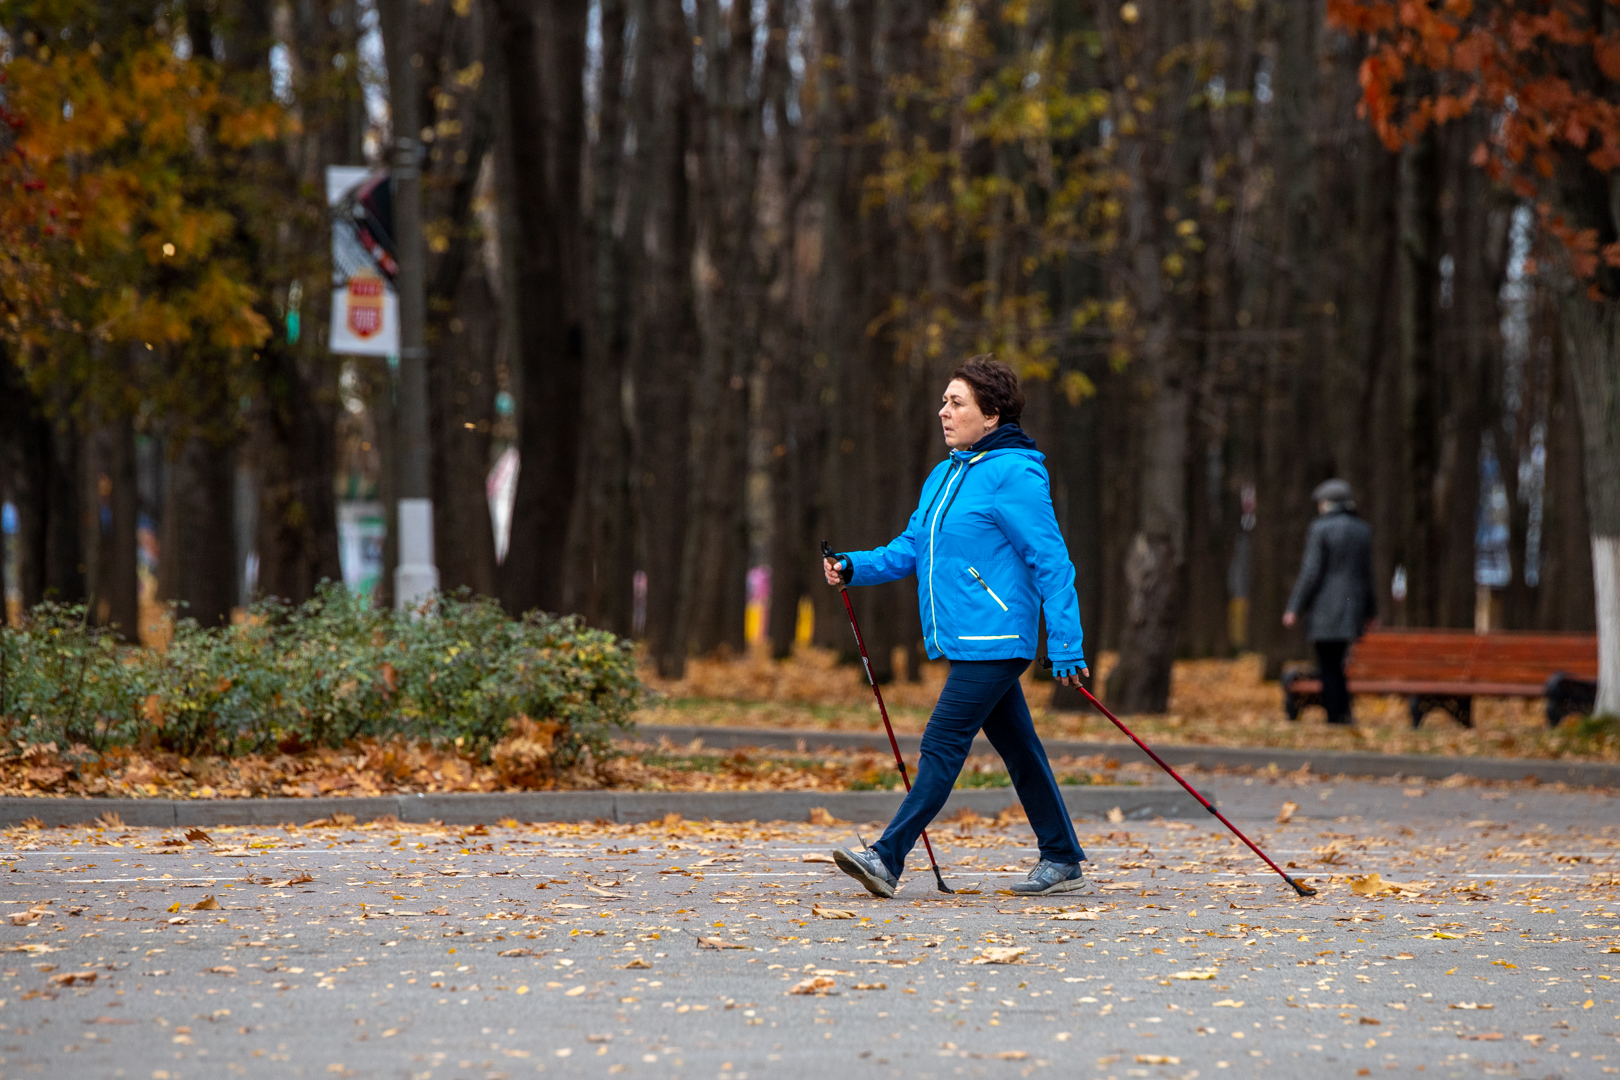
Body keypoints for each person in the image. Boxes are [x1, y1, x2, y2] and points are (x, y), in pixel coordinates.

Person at [821, 356, 1090, 898]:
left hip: (998, 637)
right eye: (944, 401)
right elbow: (912, 548)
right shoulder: (944, 475)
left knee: (942, 741)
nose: (943, 411)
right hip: (968, 639)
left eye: (956, 402)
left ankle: (886, 858)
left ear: (991, 415)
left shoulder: (1015, 473)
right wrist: (854, 566)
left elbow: (1051, 561)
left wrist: (1065, 642)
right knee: (1020, 749)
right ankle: (1062, 857)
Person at [1283, 478, 1377, 725]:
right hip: (1353, 606)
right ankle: (1344, 713)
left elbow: (1311, 572)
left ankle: (1335, 715)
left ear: (1327, 504)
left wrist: (1294, 607)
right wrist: (1371, 611)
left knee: (1328, 664)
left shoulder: (1320, 528)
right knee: (1339, 664)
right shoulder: (1362, 530)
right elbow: (1367, 575)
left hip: (1326, 608)